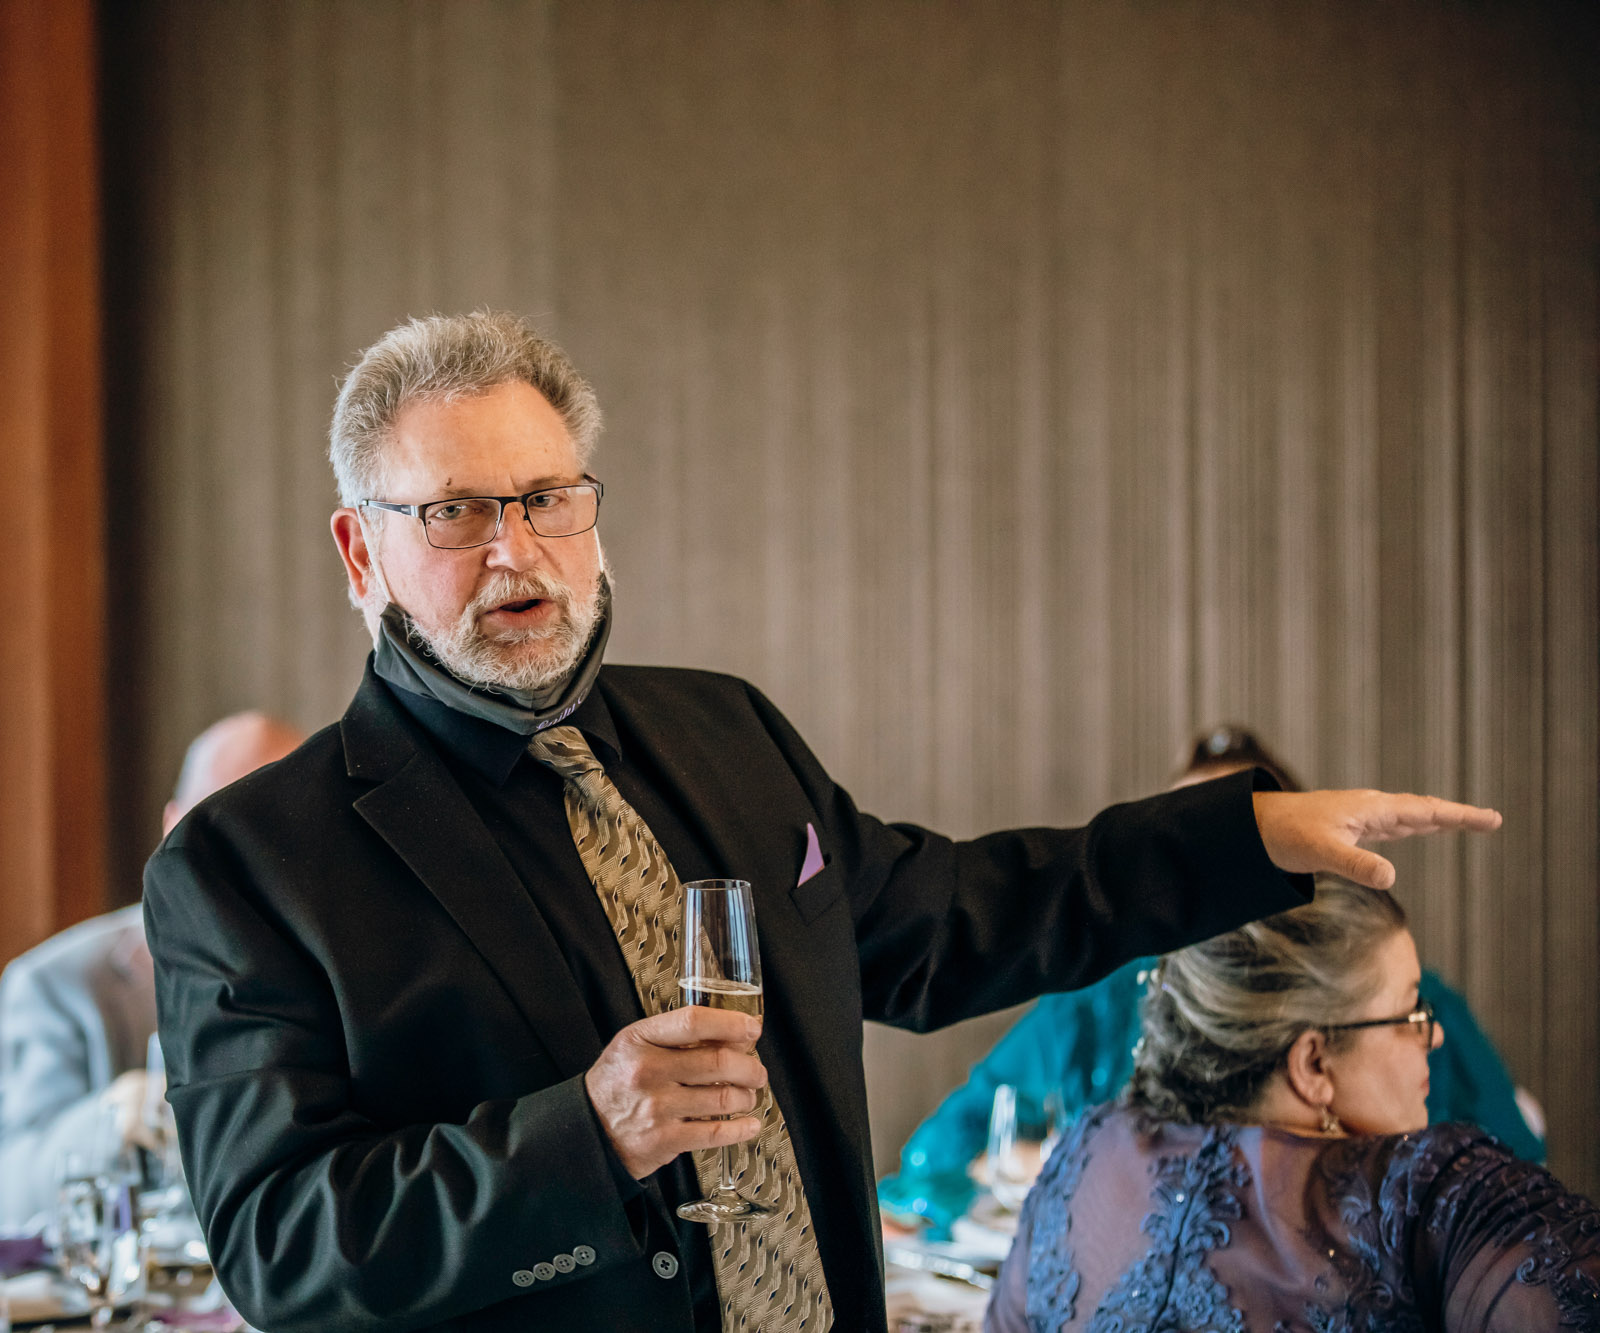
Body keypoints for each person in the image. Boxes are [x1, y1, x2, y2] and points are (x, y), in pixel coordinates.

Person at [143, 311, 1501, 1333]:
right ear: (358, 550)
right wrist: (591, 1133)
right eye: (454, 511)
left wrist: (1247, 838)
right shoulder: (249, 864)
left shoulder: (722, 731)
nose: (516, 549)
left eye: (547, 497)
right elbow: (284, 1248)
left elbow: (954, 920)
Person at [879, 727, 1542, 1237]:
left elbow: (1518, 1189)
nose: (1215, 889)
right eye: (1189, 855)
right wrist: (1059, 1162)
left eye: (1252, 849)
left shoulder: (1409, 1011)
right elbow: (936, 1160)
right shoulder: (1094, 1004)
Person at [983, 880, 1600, 1333]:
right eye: (1412, 1011)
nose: (1434, 1036)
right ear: (1313, 1065)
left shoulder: (1087, 1152)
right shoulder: (1432, 1190)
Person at [0, 711, 303, 1234]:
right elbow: (9, 1195)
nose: (259, 855)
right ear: (173, 827)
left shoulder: (352, 967)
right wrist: (121, 1115)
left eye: (286, 829)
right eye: (229, 827)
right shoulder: (62, 987)